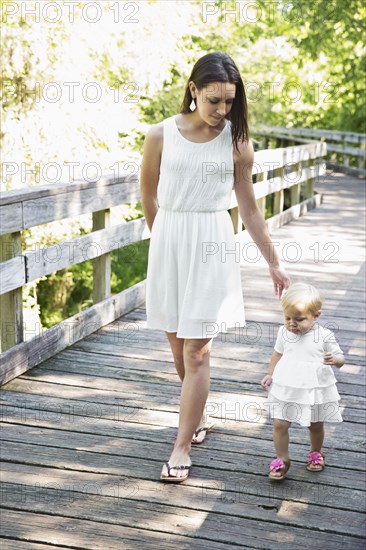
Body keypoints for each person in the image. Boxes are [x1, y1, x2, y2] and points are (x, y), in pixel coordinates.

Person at [140, 51, 290, 483]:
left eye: (230, 102)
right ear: (193, 91)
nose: (222, 111)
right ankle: (199, 416)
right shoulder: (161, 134)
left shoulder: (238, 142)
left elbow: (251, 210)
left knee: (196, 349)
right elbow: (148, 196)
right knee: (176, 347)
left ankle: (181, 444)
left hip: (211, 242)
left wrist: (273, 264)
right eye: (214, 101)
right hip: (170, 242)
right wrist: (164, 240)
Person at [261, 282, 345, 481]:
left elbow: (340, 358)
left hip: (313, 388)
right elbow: (277, 354)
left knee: (315, 425)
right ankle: (282, 458)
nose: (291, 323)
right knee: (280, 423)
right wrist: (270, 373)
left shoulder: (324, 335)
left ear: (316, 315)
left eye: (299, 319)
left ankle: (316, 453)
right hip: (287, 386)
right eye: (287, 318)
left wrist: (335, 360)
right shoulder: (284, 332)